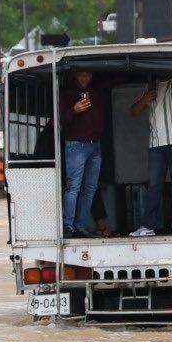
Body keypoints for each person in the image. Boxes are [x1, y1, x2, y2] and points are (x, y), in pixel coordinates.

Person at [130, 73, 172, 236]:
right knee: (154, 186)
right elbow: (134, 112)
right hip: (156, 144)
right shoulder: (150, 86)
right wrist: (144, 100)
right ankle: (147, 226)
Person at [58, 68, 106, 238]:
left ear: (92, 75)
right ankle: (68, 226)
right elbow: (60, 120)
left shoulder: (96, 93)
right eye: (81, 74)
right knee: (74, 187)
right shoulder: (67, 94)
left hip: (95, 145)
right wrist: (74, 110)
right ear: (75, 75)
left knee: (90, 188)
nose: (85, 77)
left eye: (88, 73)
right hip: (75, 145)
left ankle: (80, 225)